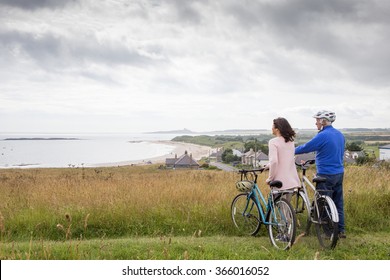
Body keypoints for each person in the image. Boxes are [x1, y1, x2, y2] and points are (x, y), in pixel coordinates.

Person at [295, 110, 346, 238]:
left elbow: (307, 147)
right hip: (338, 173)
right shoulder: (340, 135)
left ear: (323, 121)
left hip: (325, 174)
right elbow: (331, 152)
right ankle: (340, 231)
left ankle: (329, 233)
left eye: (318, 120)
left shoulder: (322, 135)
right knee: (337, 202)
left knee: (322, 204)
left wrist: (290, 150)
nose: (316, 122)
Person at [266, 117, 300, 198]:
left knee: (279, 208)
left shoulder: (273, 142)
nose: (272, 128)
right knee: (286, 209)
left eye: (273, 126)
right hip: (291, 181)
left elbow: (274, 161)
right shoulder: (291, 142)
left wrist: (270, 178)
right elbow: (285, 159)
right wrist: (267, 165)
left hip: (279, 182)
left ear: (277, 129)